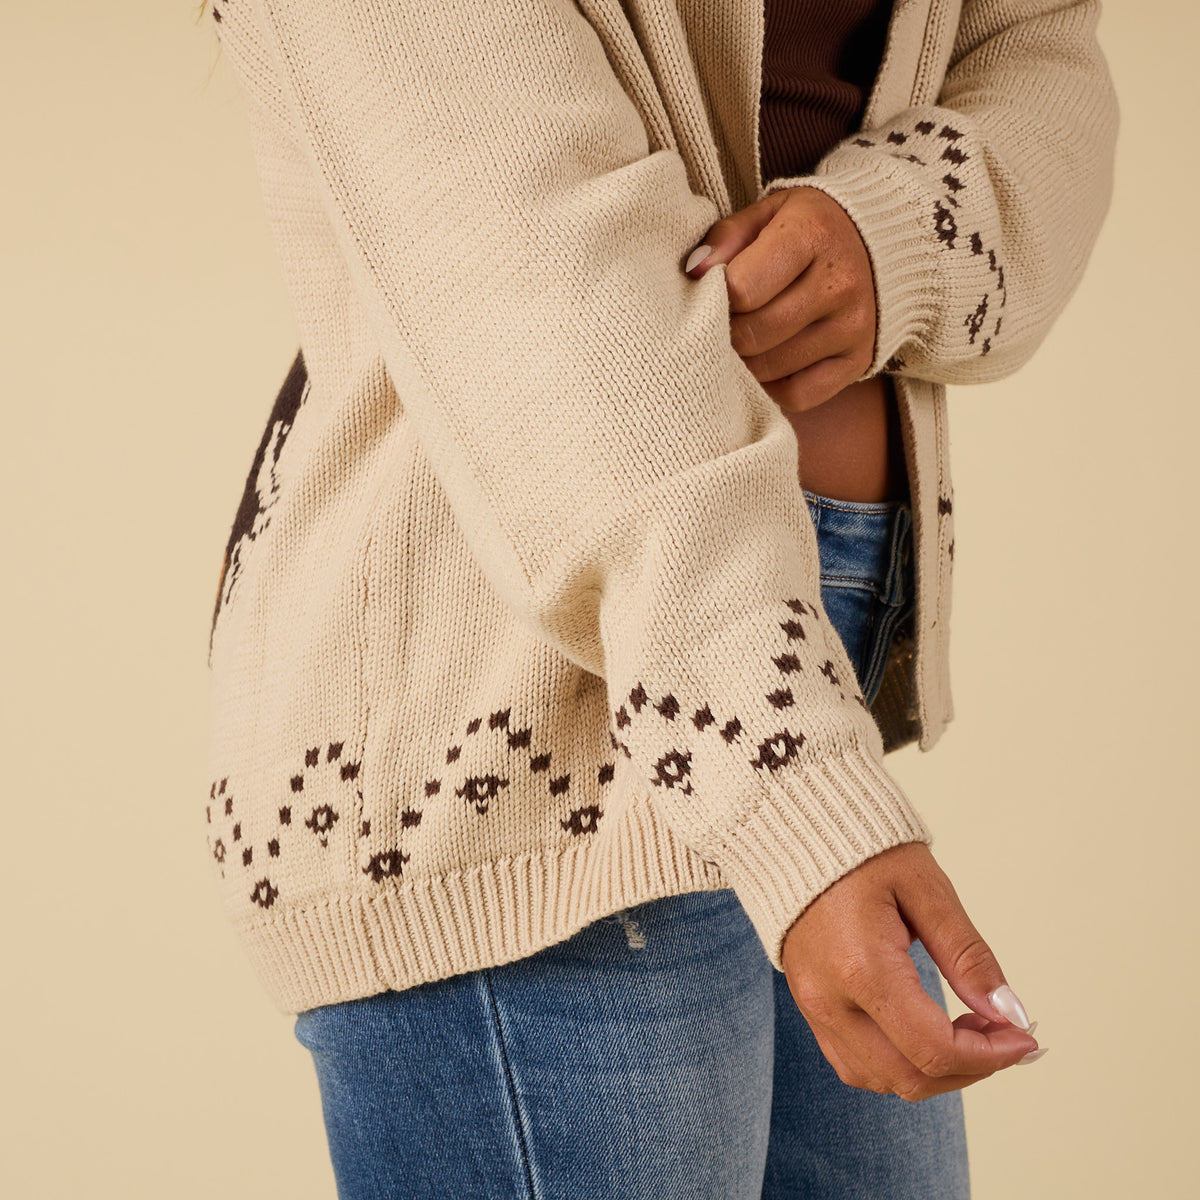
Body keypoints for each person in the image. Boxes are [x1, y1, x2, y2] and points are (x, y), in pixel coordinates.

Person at [199, 0, 1116, 1195]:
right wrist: (793, 782)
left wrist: (890, 233)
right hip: (511, 709)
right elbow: (531, 265)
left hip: (795, 658)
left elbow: (1041, 55)